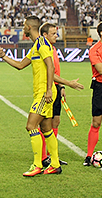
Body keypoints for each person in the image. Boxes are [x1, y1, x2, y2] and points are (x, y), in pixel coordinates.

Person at [0, 16, 63, 176]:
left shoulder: (41, 43)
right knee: (46, 128)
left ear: (29, 26)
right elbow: (20, 65)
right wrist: (3, 56)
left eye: (24, 25)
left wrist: (47, 90)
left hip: (43, 94)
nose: (23, 27)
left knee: (31, 126)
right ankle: (54, 164)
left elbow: (50, 65)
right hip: (42, 92)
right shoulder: (36, 46)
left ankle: (37, 165)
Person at [40, 23, 83, 166]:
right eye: (53, 33)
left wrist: (62, 86)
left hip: (56, 88)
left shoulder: (53, 49)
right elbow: (49, 74)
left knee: (56, 121)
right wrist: (69, 83)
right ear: (45, 35)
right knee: (45, 124)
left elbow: (56, 71)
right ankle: (43, 157)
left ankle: (53, 155)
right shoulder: (44, 50)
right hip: (48, 89)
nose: (56, 36)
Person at [83, 22, 102, 166]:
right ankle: (89, 156)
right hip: (100, 87)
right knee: (96, 122)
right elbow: (100, 69)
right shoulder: (95, 49)